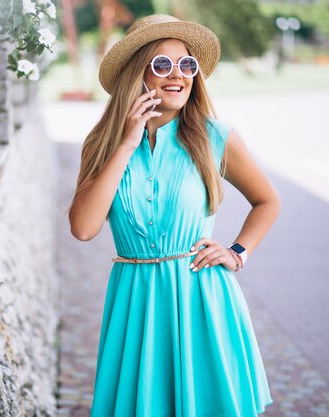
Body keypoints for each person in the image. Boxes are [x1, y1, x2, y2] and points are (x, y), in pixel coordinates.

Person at [67, 14, 282, 417]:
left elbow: (268, 201)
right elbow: (82, 228)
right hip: (135, 302)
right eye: (162, 64)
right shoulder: (101, 144)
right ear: (138, 74)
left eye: (187, 65)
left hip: (200, 299)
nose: (178, 75)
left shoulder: (215, 136)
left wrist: (237, 252)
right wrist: (128, 141)